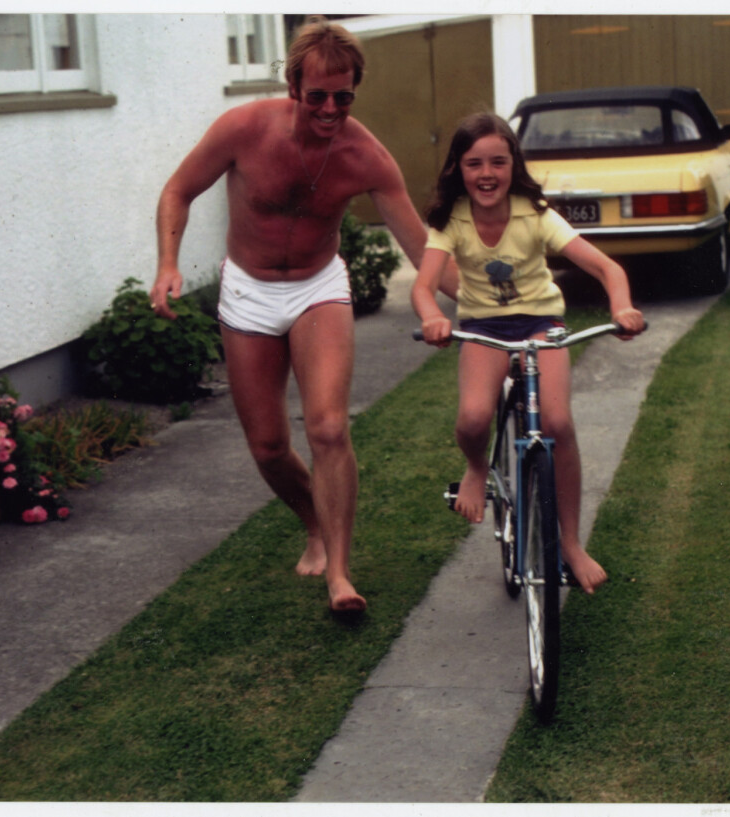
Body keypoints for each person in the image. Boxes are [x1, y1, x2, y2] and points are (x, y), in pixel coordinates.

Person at [152, 17, 449, 615]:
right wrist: (167, 264)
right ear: (293, 87)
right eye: (318, 96)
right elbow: (177, 191)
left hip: (318, 288)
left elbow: (420, 247)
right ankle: (314, 521)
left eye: (344, 96)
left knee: (329, 429)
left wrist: (489, 302)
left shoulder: (366, 155)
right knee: (266, 446)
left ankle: (340, 573)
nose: (331, 108)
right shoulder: (244, 128)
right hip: (249, 293)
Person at [411, 112, 645, 594]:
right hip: (484, 327)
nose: (487, 174)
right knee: (474, 418)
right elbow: (423, 287)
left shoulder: (534, 214)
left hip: (542, 326)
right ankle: (477, 470)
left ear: (513, 164)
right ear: (458, 169)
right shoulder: (451, 220)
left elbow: (607, 268)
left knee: (557, 424)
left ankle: (571, 544)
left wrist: (621, 307)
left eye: (498, 161)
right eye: (475, 164)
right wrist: (433, 316)